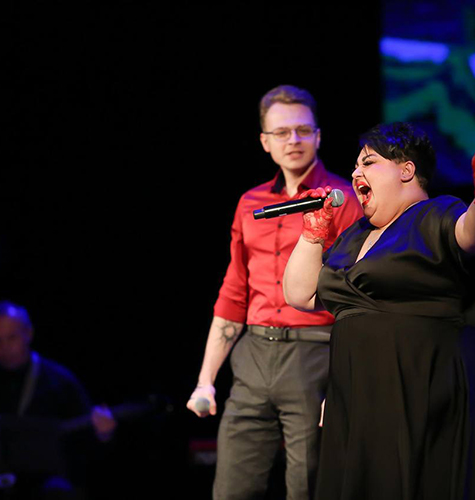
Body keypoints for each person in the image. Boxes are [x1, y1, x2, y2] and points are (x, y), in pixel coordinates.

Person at [283, 122, 475, 499]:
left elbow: (471, 234)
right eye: (355, 165)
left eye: (368, 163)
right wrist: (313, 234)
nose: (355, 172)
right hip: (356, 394)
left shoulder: (435, 213)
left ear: (406, 170)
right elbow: (300, 295)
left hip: (417, 385)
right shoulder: (353, 236)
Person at [186, 85, 363, 499]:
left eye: (303, 130)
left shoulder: (343, 200)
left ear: (318, 136)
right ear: (265, 141)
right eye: (282, 132)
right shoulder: (250, 203)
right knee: (231, 488)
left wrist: (342, 382)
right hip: (253, 356)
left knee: (307, 486)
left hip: (315, 355)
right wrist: (205, 380)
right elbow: (234, 291)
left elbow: (357, 298)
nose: (293, 140)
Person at [0, 300, 116, 499]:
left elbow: (90, 449)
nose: (4, 347)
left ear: (28, 334)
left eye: (11, 338)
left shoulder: (60, 381)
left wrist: (104, 434)